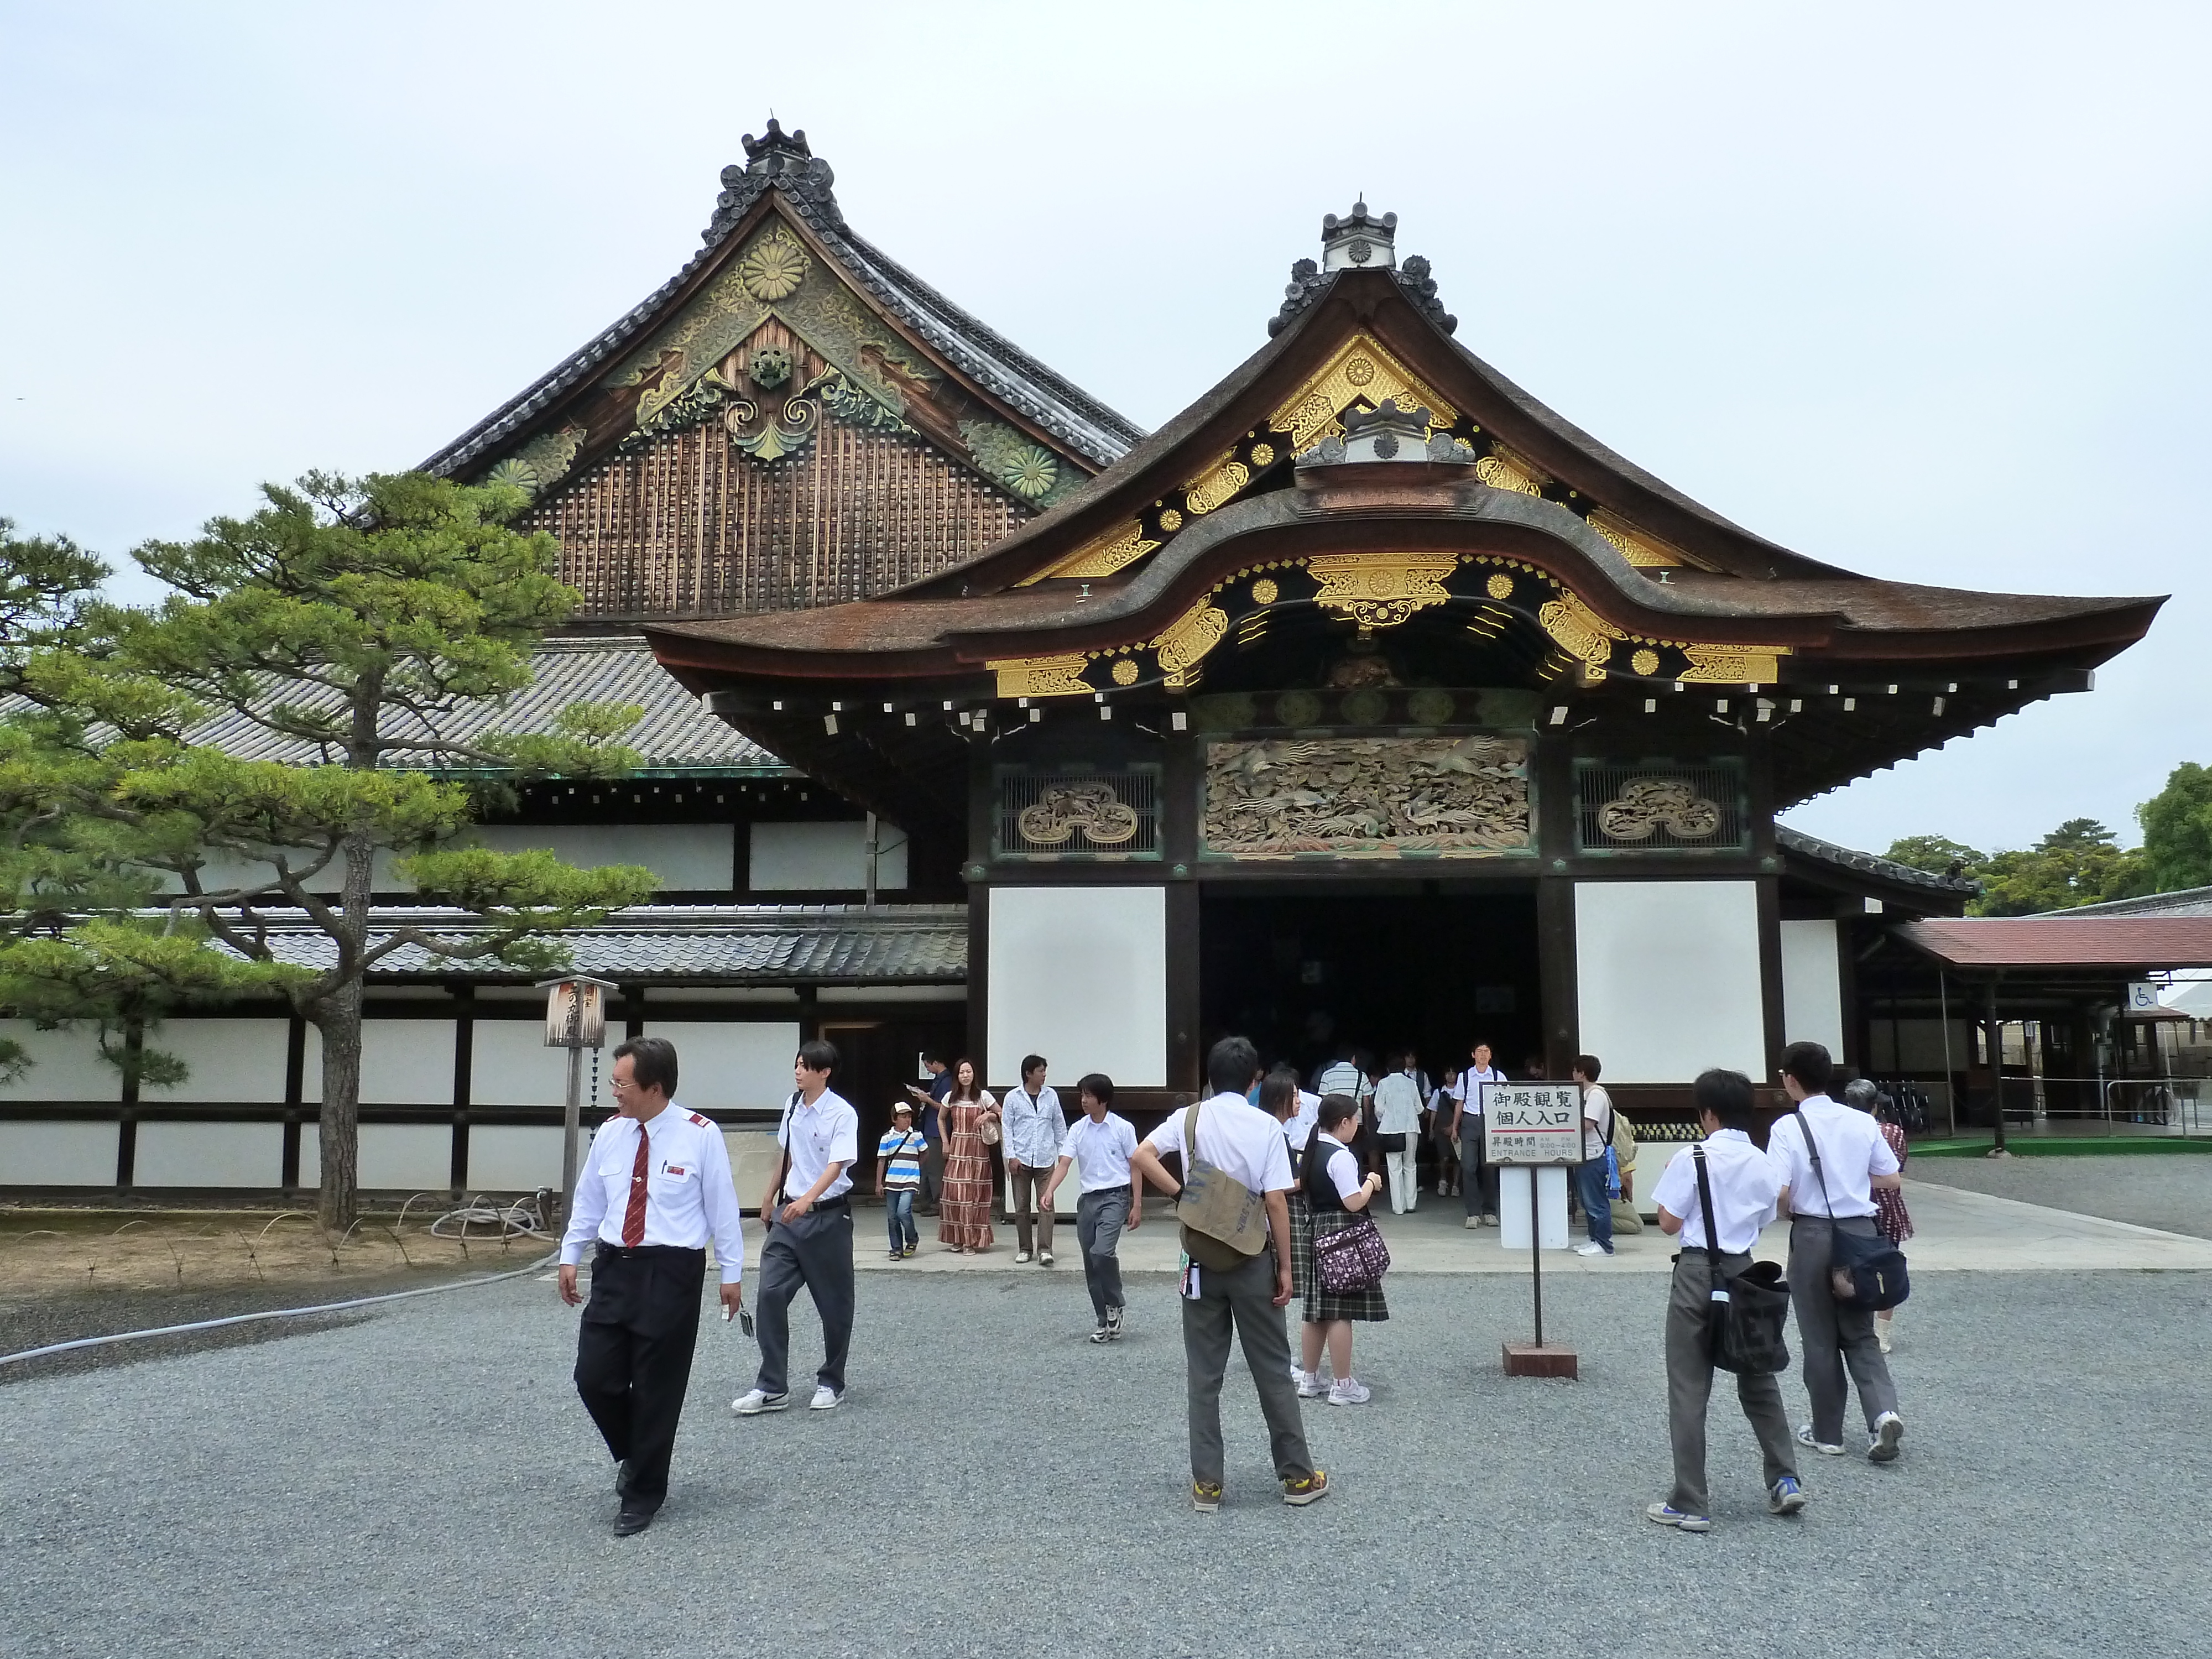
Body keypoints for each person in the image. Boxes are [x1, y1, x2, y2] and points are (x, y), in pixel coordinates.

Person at [1130, 1035, 1329, 1512]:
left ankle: (1207, 1485)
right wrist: (1286, 1266)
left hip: (1198, 1258)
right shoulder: (1265, 1126)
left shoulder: (1189, 1118)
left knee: (1204, 1374)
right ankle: (1298, 1478)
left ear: (1211, 1075)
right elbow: (1277, 1200)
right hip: (1251, 1257)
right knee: (1272, 1371)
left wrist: (1185, 1197)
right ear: (1254, 1079)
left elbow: (1141, 1156)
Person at [557, 1035, 744, 1536]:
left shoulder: (700, 1134)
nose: (615, 1092)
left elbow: (722, 1207)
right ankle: (637, 1456)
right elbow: (589, 1199)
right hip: (616, 1265)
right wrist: (570, 1255)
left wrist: (731, 1272)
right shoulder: (611, 1134)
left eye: (623, 1084)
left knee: (658, 1390)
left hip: (671, 1271)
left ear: (654, 1087)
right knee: (594, 1377)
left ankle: (643, 1495)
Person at [1645, 1067, 1803, 1532]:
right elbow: (1767, 1218)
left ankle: (1691, 1500)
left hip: (1696, 1270)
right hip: (1744, 1270)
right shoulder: (1764, 1165)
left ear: (1707, 1113)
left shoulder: (1691, 1157)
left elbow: (1670, 1222)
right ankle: (1785, 1479)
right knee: (1758, 1375)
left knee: (1689, 1386)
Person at [1766, 1041, 1907, 1462]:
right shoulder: (1862, 1123)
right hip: (1860, 1234)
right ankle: (1883, 1413)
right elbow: (1891, 1179)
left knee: (1819, 1336)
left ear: (1791, 1079)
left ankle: (1828, 1433)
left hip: (1812, 1235)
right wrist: (1852, 1186)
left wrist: (1787, 1210)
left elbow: (1782, 1190)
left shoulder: (1787, 1128)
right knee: (1860, 1332)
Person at [732, 1040, 859, 1417]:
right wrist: (770, 1197)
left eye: (807, 1066)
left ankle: (832, 1381)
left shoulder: (842, 1113)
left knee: (835, 1306)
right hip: (788, 1217)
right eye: (797, 1064)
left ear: (825, 1072)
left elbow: (837, 1165)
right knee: (770, 1293)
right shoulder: (792, 1106)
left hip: (828, 1217)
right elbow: (786, 1157)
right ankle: (772, 1387)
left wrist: (808, 1200)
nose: (799, 1070)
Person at [1295, 1093, 1389, 1406]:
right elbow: (1353, 1202)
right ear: (1344, 1122)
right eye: (1356, 1120)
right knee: (1339, 1310)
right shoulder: (1341, 1156)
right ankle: (1342, 1384)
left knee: (1315, 1309)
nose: (1358, 1126)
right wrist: (1372, 1183)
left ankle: (1310, 1379)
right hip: (1340, 1231)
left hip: (1316, 1229)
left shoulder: (1313, 1150)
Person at [1043, 1072, 1141, 1341]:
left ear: (1103, 1099)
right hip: (1088, 1200)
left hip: (1116, 1198)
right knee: (1090, 1261)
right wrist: (1050, 1190)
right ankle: (1103, 1318)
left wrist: (1137, 1205)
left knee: (1102, 1252)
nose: (1083, 1100)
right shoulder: (1078, 1129)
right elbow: (1064, 1163)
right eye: (1082, 1095)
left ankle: (1115, 1303)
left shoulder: (1123, 1128)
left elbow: (1136, 1166)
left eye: (1088, 1095)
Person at [1845, 1078, 1915, 1354]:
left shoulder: (1838, 1132)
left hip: (1850, 1206)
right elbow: (1899, 1169)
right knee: (1887, 1268)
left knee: (1844, 1267)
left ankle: (1847, 1326)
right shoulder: (1892, 1132)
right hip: (1886, 1207)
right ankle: (1882, 1334)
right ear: (1875, 1107)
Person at [1001, 1053, 1067, 1265]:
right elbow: (1007, 1129)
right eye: (1040, 1071)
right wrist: (1011, 1156)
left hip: (1045, 1158)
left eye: (1045, 1070)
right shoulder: (1013, 1097)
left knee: (1046, 1205)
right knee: (1021, 1207)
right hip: (1020, 1159)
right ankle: (1025, 1248)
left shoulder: (1051, 1096)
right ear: (1028, 1074)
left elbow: (1059, 1124)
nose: (1044, 1075)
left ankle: (1045, 1250)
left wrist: (1063, 1152)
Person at [935, 1058, 999, 1253]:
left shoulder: (983, 1096)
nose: (965, 1076)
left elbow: (1001, 1113)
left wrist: (988, 1115)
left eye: (968, 1072)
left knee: (975, 1196)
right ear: (957, 1075)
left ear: (974, 1074)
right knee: (955, 1195)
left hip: (978, 1152)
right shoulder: (950, 1097)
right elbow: (941, 1118)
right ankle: (958, 1237)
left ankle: (971, 1241)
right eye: (962, 1072)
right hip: (957, 1150)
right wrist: (945, 1142)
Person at [1455, 1041, 1507, 1228]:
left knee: (1489, 1168)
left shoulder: (1498, 1076)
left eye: (1487, 1051)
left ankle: (1490, 1211)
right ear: (1473, 1055)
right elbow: (1459, 1103)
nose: (1483, 1055)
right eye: (1479, 1051)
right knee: (1468, 1167)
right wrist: (1455, 1127)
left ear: (1491, 1055)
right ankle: (1473, 1213)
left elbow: (1506, 1102)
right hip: (1470, 1122)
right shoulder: (1465, 1077)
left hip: (1492, 1122)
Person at [1571, 1054, 1617, 1258]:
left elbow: (1589, 1123)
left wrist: (1564, 1127)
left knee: (1596, 1202)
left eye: (1575, 1071)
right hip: (1586, 1155)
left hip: (1594, 1155)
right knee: (1588, 1201)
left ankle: (1604, 1244)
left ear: (1582, 1073)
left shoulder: (1596, 1095)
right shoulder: (1589, 1094)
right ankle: (1594, 1238)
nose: (1572, 1075)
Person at [1371, 1050, 1425, 1215]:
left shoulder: (1383, 1084)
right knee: (1410, 1165)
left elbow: (1378, 1108)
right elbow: (1420, 1108)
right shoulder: (1411, 1083)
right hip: (1410, 1128)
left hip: (1391, 1130)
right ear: (1404, 1068)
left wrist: (1384, 1119)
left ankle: (1398, 1208)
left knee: (1394, 1168)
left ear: (1388, 1069)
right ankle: (1411, 1204)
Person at [904, 1053, 955, 1215]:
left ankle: (938, 1203)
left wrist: (926, 1100)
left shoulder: (947, 1081)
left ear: (935, 1062)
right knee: (925, 1167)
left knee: (935, 1169)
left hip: (937, 1130)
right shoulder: (939, 1079)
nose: (927, 1068)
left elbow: (945, 1107)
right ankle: (925, 1200)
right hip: (929, 1128)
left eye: (927, 1065)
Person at [875, 1100, 924, 1260]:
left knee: (903, 1211)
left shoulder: (916, 1136)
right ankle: (896, 1248)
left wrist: (916, 1167)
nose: (907, 1120)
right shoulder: (887, 1138)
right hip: (892, 1181)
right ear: (894, 1119)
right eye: (903, 1117)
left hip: (910, 1180)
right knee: (892, 1217)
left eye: (909, 1116)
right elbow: (881, 1161)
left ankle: (912, 1238)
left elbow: (925, 1153)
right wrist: (879, 1183)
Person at [1430, 1063, 1462, 1199]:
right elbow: (1433, 1111)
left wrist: (1454, 1127)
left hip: (1458, 1130)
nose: (1450, 1076)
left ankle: (1455, 1185)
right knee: (1444, 1157)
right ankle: (1443, 1182)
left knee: (1458, 1159)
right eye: (1448, 1073)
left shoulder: (1461, 1092)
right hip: (1441, 1130)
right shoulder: (1438, 1092)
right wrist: (1431, 1129)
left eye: (1453, 1073)